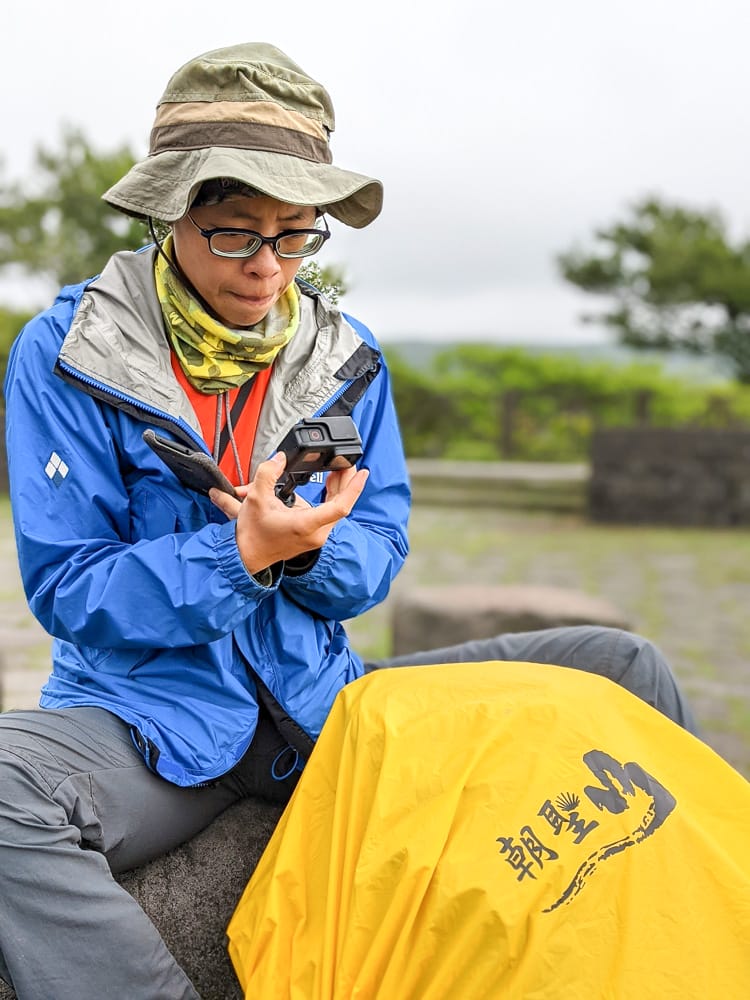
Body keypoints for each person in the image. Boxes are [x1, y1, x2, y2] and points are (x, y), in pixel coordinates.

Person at [0, 42, 698, 999]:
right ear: (175, 211)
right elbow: (69, 588)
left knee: (623, 669)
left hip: (328, 700)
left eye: (297, 236)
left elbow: (382, 539)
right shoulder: (67, 351)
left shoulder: (348, 355)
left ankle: (681, 942)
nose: (268, 268)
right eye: (238, 234)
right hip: (145, 722)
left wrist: (308, 554)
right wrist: (236, 555)